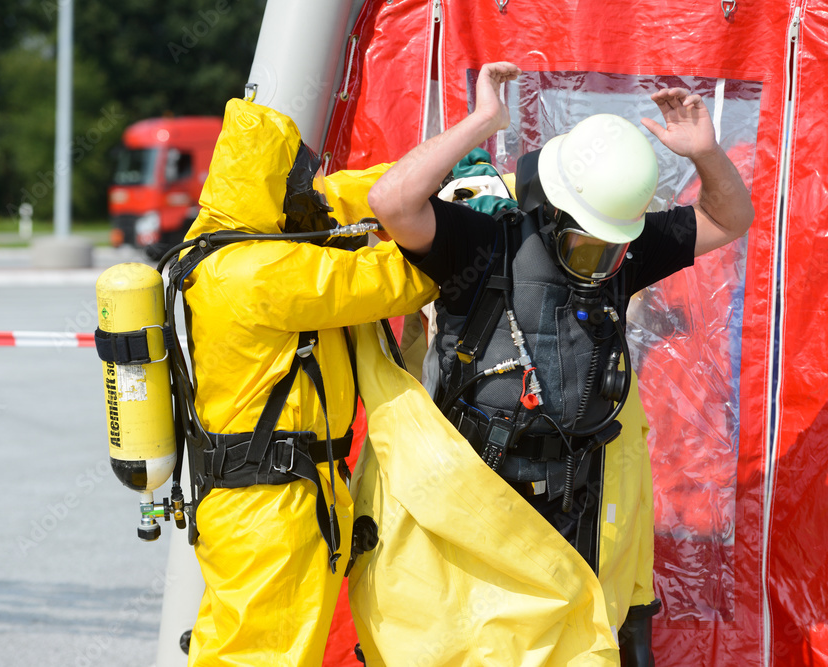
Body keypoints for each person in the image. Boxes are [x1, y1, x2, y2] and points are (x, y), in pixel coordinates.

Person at [366, 61, 754, 664]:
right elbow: (391, 202)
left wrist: (705, 153)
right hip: (475, 503)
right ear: (553, 213)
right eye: (585, 245)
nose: (598, 265)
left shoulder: (623, 253)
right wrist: (483, 121)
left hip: (573, 503)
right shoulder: (481, 246)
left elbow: (729, 219)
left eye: (611, 249)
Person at [174, 97, 437, 665]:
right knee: (261, 657)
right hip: (274, 508)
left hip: (260, 496)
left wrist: (435, 168)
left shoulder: (219, 241)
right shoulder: (258, 272)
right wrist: (460, 233)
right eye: (300, 180)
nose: (312, 191)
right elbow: (391, 282)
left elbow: (337, 196)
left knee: (243, 648)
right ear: (274, 185)